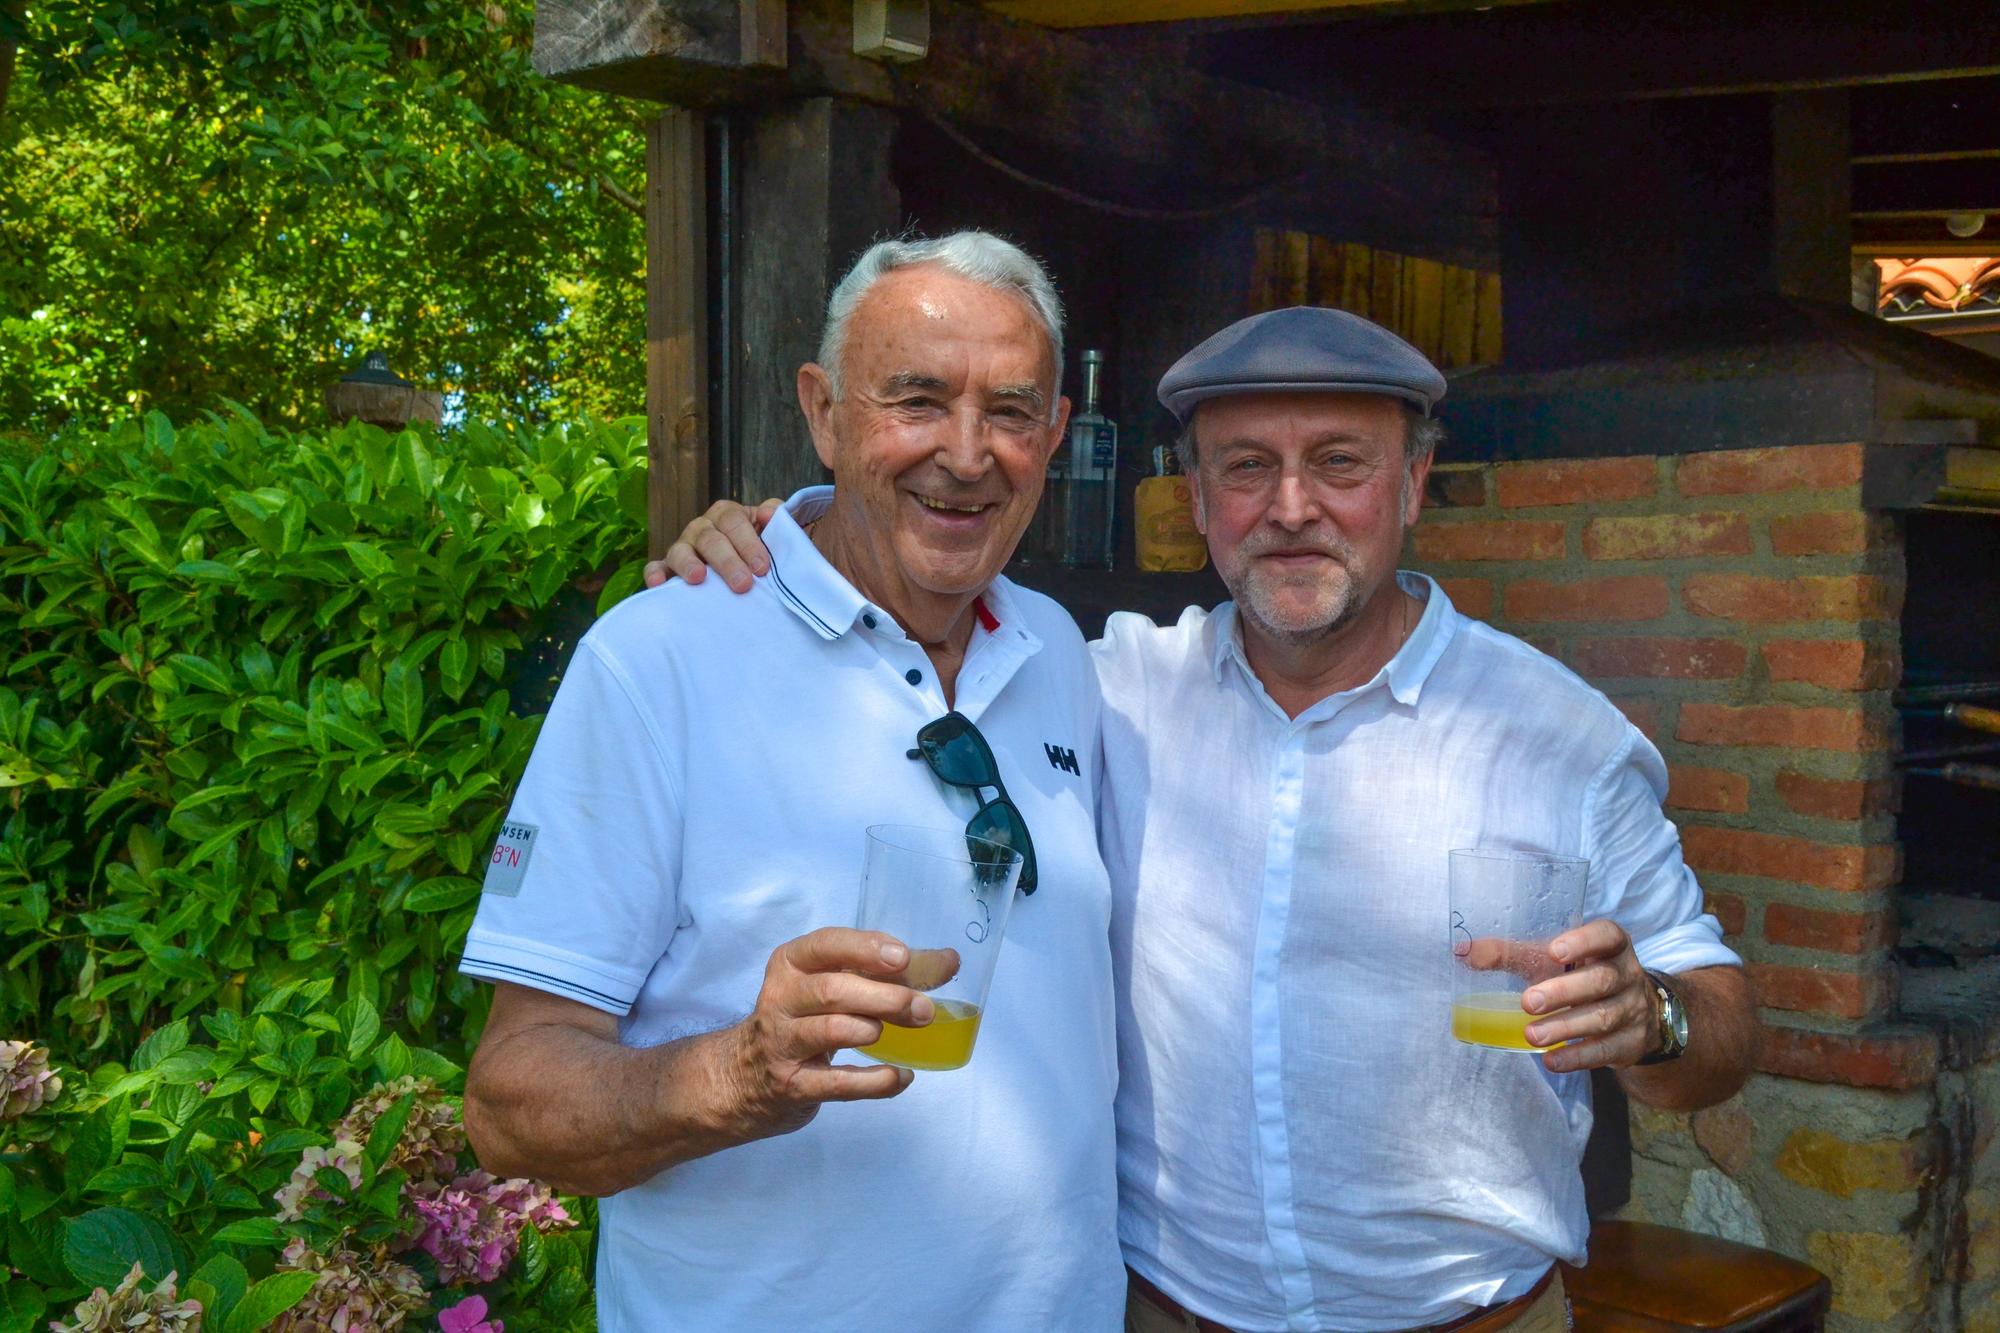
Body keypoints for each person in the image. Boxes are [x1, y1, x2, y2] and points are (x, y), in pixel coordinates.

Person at [656, 304, 1759, 1333]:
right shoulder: (1098, 692)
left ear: (1412, 482)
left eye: (1337, 463)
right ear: (1194, 502)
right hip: (1162, 1311)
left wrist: (1650, 1018)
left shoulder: (1559, 735)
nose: (1289, 508)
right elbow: (891, 616)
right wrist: (776, 543)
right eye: (1244, 468)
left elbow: (1718, 1023)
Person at [459, 231, 1127, 1331]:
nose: (966, 454)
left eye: (1009, 412)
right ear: (822, 413)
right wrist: (739, 1072)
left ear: (1053, 436)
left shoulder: (1058, 651)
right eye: (914, 399)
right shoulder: (658, 657)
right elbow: (510, 1103)